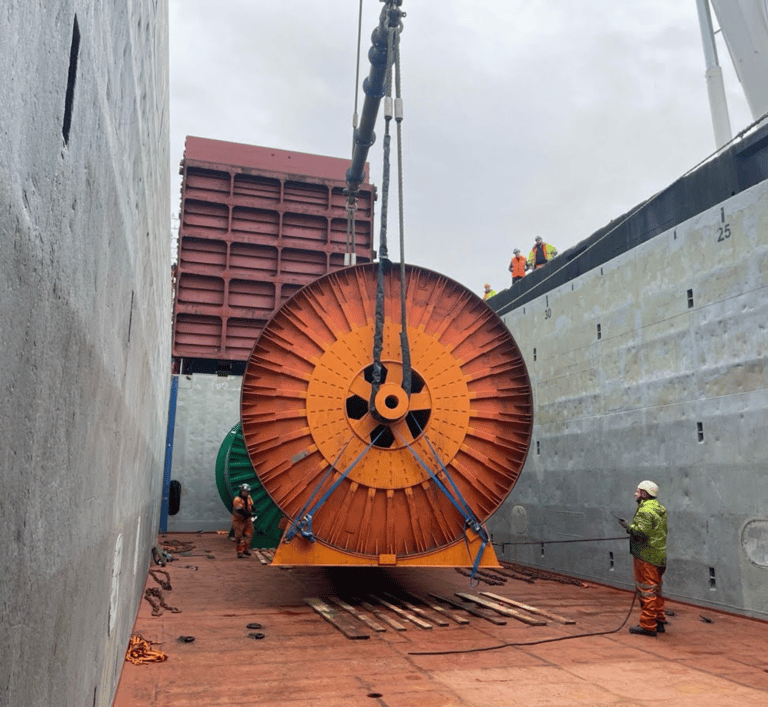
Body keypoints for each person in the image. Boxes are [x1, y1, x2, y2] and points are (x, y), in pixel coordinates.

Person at [617, 480, 667, 636]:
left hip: (646, 556)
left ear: (644, 494)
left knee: (646, 590)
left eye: (638, 491)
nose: (635, 493)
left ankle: (647, 625)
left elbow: (642, 532)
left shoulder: (645, 511)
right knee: (656, 589)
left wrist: (628, 527)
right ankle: (659, 620)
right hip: (658, 555)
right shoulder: (659, 509)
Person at [232, 483, 256, 558]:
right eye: (246, 491)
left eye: (248, 492)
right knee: (239, 536)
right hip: (239, 520)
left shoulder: (248, 497)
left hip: (247, 520)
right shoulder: (237, 500)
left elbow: (251, 505)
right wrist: (249, 514)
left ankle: (246, 549)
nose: (247, 493)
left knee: (249, 534)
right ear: (242, 491)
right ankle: (240, 552)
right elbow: (240, 510)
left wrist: (254, 509)